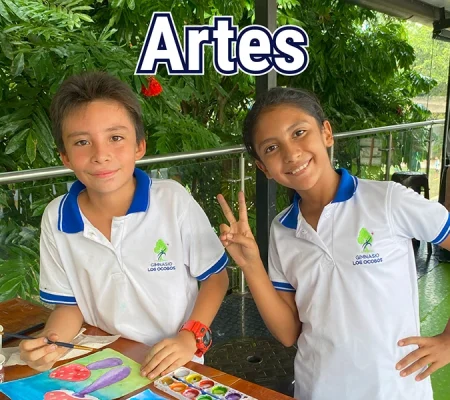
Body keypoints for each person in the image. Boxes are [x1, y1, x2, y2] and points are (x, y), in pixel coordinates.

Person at [217, 87, 450, 400]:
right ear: (263, 168)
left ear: (326, 133)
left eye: (299, 132)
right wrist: (251, 266)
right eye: (271, 148)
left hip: (395, 388)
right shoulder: (282, 229)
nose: (291, 153)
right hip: (318, 388)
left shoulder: (386, 201)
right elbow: (288, 334)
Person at [19, 71, 229, 380]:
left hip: (176, 364)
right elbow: (69, 306)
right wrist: (50, 344)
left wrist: (190, 337)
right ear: (64, 156)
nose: (101, 155)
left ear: (139, 146)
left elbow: (215, 278)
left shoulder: (172, 201)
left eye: (115, 138)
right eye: (81, 142)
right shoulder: (56, 218)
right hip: (104, 363)